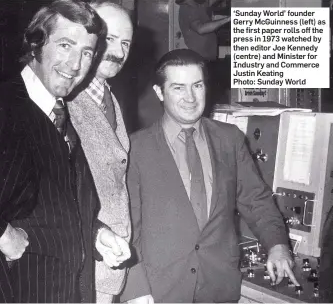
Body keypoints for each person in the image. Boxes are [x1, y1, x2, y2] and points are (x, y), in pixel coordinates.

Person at [120, 49, 299, 303]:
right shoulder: (134, 148)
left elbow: (255, 200)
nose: (190, 97)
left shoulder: (230, 138)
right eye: (178, 88)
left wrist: (278, 245)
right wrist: (135, 289)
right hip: (160, 291)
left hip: (219, 287)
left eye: (197, 85)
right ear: (159, 92)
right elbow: (129, 227)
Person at [0, 1, 104, 302]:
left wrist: (97, 234)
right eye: (66, 45)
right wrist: (0, 232)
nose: (75, 64)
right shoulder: (1, 104)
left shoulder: (61, 115)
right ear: (36, 43)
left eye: (87, 53)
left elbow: (53, 206)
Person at [67, 1, 133, 303]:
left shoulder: (109, 97)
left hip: (107, 268)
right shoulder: (64, 101)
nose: (118, 52)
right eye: (109, 39)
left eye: (125, 43)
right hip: (79, 268)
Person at [177, 0, 231, 114]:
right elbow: (201, 29)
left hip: (209, 60)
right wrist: (229, 19)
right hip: (200, 61)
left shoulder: (199, 5)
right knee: (210, 99)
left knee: (217, 94)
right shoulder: (187, 9)